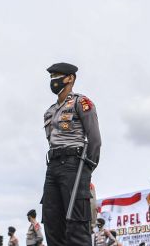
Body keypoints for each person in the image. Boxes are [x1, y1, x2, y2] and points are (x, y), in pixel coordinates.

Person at [41, 62, 102, 246]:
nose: (54, 81)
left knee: (76, 223)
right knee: (52, 222)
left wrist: (86, 170)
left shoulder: (81, 103)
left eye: (57, 76)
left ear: (70, 78)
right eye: (51, 77)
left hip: (74, 164)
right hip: (53, 166)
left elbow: (95, 139)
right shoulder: (49, 111)